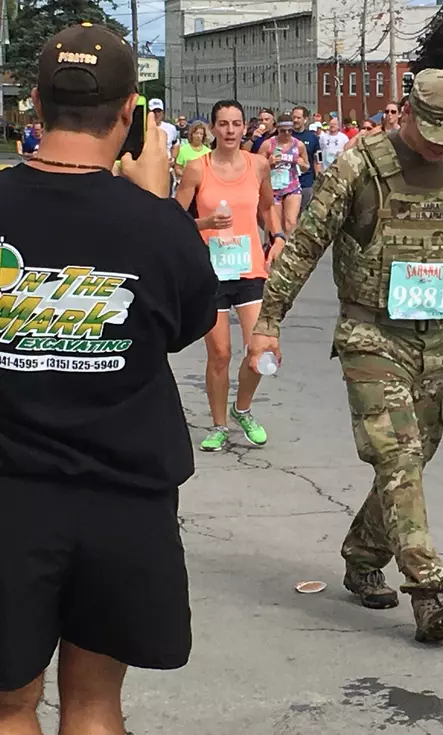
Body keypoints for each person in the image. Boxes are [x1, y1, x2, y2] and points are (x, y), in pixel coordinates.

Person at [0, 23, 217, 732]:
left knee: (8, 704)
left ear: (35, 104)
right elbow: (185, 327)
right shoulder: (157, 226)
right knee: (95, 703)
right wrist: (153, 207)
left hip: (9, 496)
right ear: (129, 114)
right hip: (123, 500)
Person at [247, 69, 443, 644]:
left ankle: (363, 551)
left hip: (436, 336)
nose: (441, 144)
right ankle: (429, 587)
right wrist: (269, 320)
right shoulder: (359, 166)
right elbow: (306, 242)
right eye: (432, 129)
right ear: (407, 113)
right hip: (370, 333)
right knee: (398, 455)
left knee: (416, 454)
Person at [176, 100, 285, 452]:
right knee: (220, 354)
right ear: (212, 128)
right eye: (223, 124)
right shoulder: (197, 168)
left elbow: (267, 206)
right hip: (211, 272)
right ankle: (219, 424)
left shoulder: (258, 165)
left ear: (245, 127)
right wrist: (205, 224)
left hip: (250, 268)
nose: (230, 131)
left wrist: (278, 236)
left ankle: (243, 409)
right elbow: (172, 221)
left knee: (260, 349)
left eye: (236, 124)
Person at [259, 113, 310, 235]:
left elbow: (306, 167)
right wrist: (268, 163)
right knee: (274, 226)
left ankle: (289, 252)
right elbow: (258, 168)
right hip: (272, 189)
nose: (287, 134)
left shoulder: (298, 145)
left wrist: (302, 164)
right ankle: (272, 251)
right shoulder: (268, 144)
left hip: (292, 187)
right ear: (277, 129)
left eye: (290, 131)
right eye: (283, 131)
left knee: (290, 222)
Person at [291, 106, 321, 212]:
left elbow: (318, 160)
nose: (295, 120)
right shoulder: (286, 135)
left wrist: (318, 180)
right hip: (289, 183)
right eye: (293, 117)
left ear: (305, 119)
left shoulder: (312, 138)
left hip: (306, 183)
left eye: (298, 118)